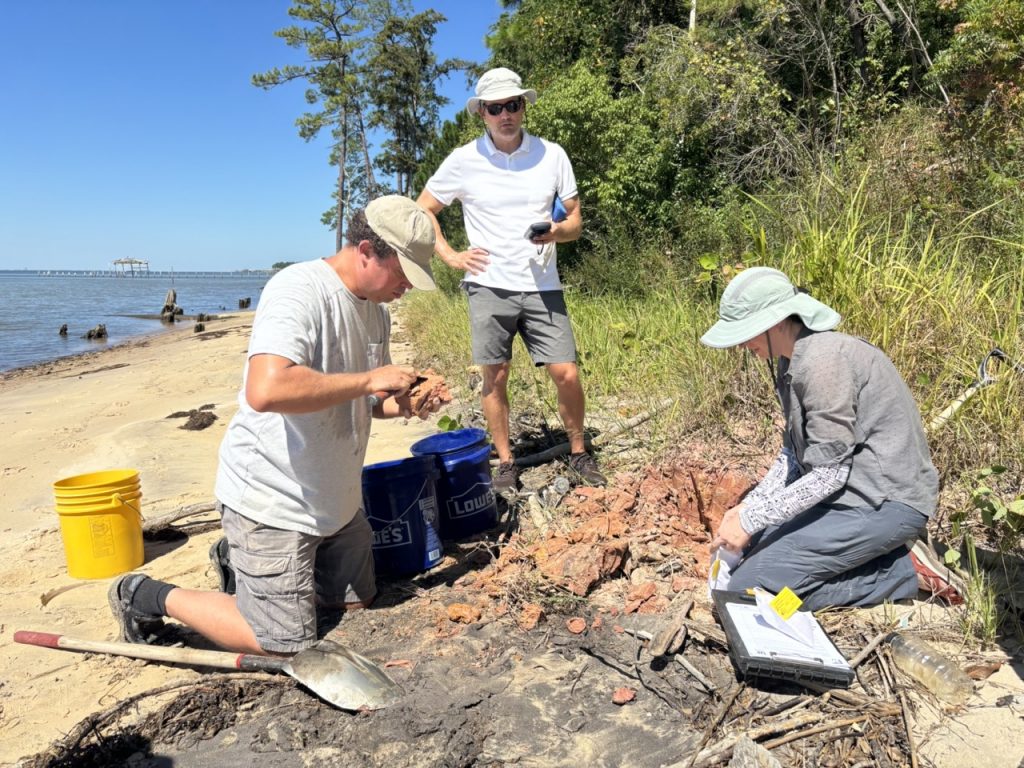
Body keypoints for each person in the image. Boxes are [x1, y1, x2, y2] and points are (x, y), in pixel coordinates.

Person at [108, 195, 440, 654]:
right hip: (273, 500)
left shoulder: (376, 312)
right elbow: (266, 391)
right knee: (282, 645)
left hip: (336, 503)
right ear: (366, 250)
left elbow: (364, 401)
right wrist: (369, 378)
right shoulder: (298, 289)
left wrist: (404, 404)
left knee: (357, 606)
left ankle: (237, 563)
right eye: (402, 272)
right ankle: (145, 595)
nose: (406, 285)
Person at [703, 267, 939, 610]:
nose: (742, 344)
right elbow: (793, 456)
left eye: (747, 332)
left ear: (778, 321)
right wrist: (748, 510)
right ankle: (870, 560)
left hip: (883, 503)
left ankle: (897, 573)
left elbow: (830, 473)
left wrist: (752, 520)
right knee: (748, 550)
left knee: (749, 593)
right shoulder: (791, 360)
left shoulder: (823, 362)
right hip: (845, 499)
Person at [416, 67, 605, 491]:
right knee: (495, 377)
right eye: (496, 108)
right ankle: (505, 463)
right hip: (488, 284)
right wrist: (449, 255)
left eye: (513, 105)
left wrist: (556, 231)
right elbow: (424, 208)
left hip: (543, 283)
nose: (506, 115)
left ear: (524, 107)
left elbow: (574, 219)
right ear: (481, 113)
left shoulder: (551, 154)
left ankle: (578, 452)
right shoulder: (463, 160)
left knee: (567, 372)